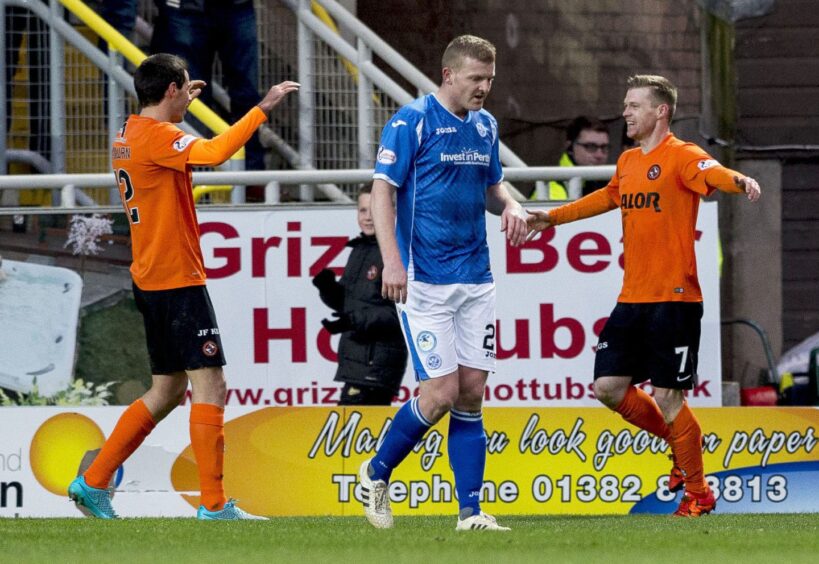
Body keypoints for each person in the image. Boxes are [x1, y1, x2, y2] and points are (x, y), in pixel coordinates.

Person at [67, 53, 299, 520]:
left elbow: (166, 148)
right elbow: (214, 153)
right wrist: (263, 106)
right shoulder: (160, 137)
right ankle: (213, 506)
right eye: (186, 87)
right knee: (211, 384)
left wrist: (178, 109)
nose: (190, 93)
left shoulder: (128, 134)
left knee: (167, 390)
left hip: (150, 276)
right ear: (171, 90)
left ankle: (93, 482)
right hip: (176, 278)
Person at [527, 74, 761, 517]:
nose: (626, 113)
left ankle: (698, 493)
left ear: (660, 111)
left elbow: (713, 172)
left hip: (675, 300)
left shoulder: (682, 156)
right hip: (633, 298)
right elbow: (604, 199)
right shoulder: (629, 161)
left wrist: (739, 180)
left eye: (633, 105)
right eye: (626, 105)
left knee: (670, 397)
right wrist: (552, 219)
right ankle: (680, 448)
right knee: (608, 387)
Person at [357, 35, 528, 531]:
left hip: (476, 277)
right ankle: (375, 472)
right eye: (477, 78)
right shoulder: (412, 121)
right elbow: (383, 191)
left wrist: (513, 204)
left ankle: (470, 513)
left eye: (490, 79)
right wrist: (393, 261)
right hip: (425, 281)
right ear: (448, 74)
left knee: (472, 392)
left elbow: (492, 186)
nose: (485, 88)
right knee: (440, 395)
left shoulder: (486, 125)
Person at [150, 0, 266, 187]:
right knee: (192, 101)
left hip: (235, 7)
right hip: (185, 9)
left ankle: (252, 180)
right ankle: (196, 180)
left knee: (246, 95)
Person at [312, 186, 408, 406]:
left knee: (351, 433)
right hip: (358, 361)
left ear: (392, 211)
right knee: (358, 434)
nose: (368, 218)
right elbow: (348, 304)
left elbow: (400, 314)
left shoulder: (396, 251)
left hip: (377, 363)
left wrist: (354, 320)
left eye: (374, 211)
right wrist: (328, 289)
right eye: (363, 211)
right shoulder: (360, 249)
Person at [533, 115, 611, 200]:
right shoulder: (553, 190)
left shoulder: (601, 182)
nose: (599, 155)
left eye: (604, 147)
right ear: (570, 147)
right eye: (590, 147)